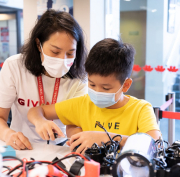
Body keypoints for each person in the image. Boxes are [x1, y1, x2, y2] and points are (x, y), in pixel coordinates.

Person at [27, 38, 161, 154]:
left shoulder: (141, 109)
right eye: (91, 85)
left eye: (106, 88)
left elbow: (154, 145)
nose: (97, 92)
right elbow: (36, 111)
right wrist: (40, 122)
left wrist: (106, 138)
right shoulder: (83, 104)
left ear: (125, 85)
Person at [0, 9, 87, 150]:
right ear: (38, 44)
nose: (62, 60)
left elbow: (75, 123)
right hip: (19, 145)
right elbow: (1, 117)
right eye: (55, 52)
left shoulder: (79, 78)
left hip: (60, 147)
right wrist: (8, 134)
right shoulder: (14, 66)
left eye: (70, 53)